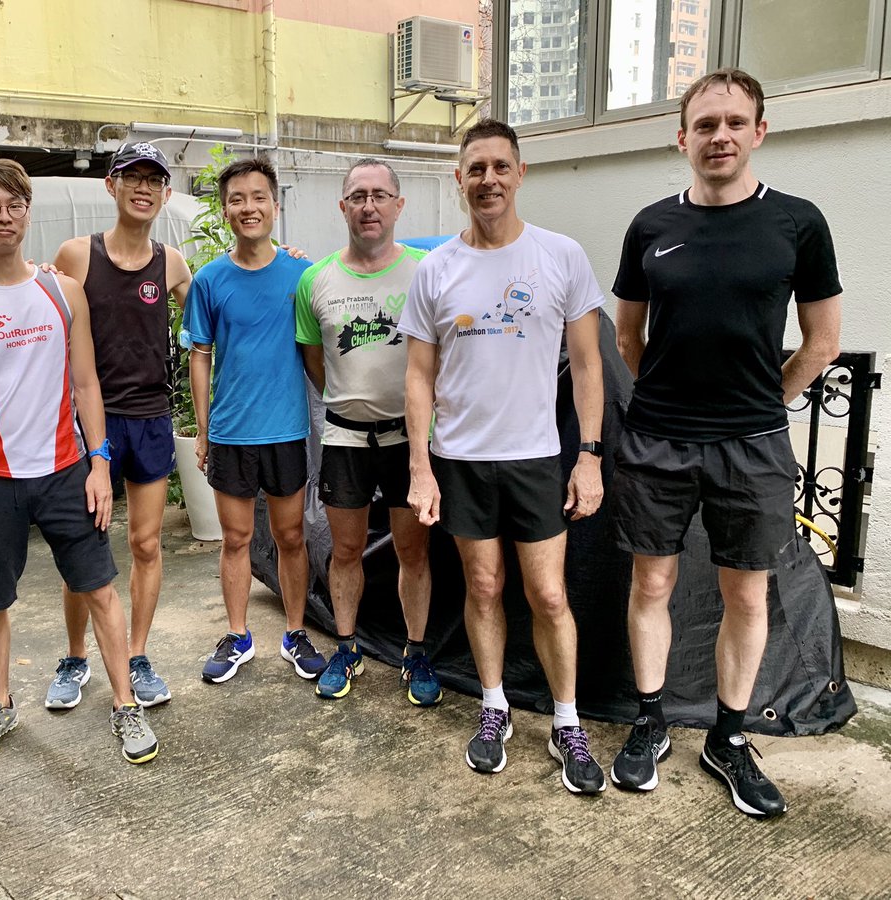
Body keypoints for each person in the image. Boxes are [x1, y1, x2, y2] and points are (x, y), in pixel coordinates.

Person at [609, 68, 842, 818]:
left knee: (746, 594)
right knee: (651, 585)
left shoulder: (798, 223)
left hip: (753, 445)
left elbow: (822, 341)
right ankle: (650, 722)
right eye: (706, 124)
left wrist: (765, 402)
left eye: (735, 122)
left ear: (759, 132)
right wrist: (668, 401)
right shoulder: (650, 226)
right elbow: (626, 336)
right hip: (659, 441)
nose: (720, 136)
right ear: (683, 138)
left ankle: (729, 738)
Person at [400, 119, 608, 795]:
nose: (488, 179)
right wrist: (421, 467)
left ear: (521, 173)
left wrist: (590, 456)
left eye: (499, 166)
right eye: (475, 168)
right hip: (461, 460)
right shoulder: (435, 269)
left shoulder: (561, 256)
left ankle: (566, 721)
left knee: (548, 594)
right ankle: (494, 707)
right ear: (459, 180)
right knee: (484, 588)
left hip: (536, 458)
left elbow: (587, 364)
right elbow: (418, 376)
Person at [0, 157, 158, 765]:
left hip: (66, 471)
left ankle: (124, 704)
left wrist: (100, 463)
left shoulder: (63, 290)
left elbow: (86, 383)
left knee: (100, 589)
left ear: (28, 211)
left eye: (14, 205)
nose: (3, 217)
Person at [47, 142, 192, 710]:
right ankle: (75, 656)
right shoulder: (77, 255)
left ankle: (137, 655)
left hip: (151, 419)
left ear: (166, 193)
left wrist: (284, 257)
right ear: (112, 186)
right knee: (84, 549)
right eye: (133, 177)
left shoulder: (171, 263)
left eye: (154, 180)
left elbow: (216, 307)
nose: (143, 188)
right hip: (92, 423)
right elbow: (40, 312)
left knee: (146, 543)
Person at [294, 158, 440, 705]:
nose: (369, 206)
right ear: (343, 207)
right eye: (358, 196)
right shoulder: (315, 279)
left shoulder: (427, 270)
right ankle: (347, 646)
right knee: (346, 549)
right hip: (345, 439)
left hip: (410, 441)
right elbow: (315, 361)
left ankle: (416, 651)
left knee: (412, 551)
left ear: (399, 205)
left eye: (380, 195)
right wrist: (351, 402)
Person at [183, 156, 327, 684]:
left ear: (275, 205)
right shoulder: (208, 280)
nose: (249, 207)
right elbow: (200, 355)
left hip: (287, 430)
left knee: (291, 536)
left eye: (258, 197)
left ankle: (295, 632)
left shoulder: (302, 274)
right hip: (230, 433)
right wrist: (203, 430)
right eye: (237, 199)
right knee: (236, 538)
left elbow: (321, 343)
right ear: (225, 210)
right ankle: (238, 635)